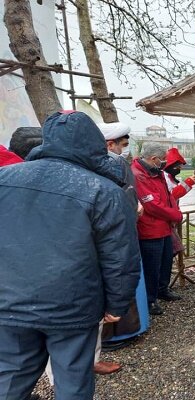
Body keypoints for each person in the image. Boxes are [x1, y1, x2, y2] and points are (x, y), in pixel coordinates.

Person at [0, 111, 140, 400]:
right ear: (93, 143)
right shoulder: (103, 190)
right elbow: (120, 256)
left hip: (10, 302)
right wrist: (118, 302)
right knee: (73, 381)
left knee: (10, 379)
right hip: (72, 307)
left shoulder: (4, 178)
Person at [96, 122, 150, 370]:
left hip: (126, 231)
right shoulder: (109, 165)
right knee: (118, 280)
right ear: (110, 144)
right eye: (123, 145)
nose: (126, 150)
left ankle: (130, 327)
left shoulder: (116, 163)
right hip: (115, 236)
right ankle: (115, 334)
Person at [132, 143, 183, 316]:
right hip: (150, 229)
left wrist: (173, 212)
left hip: (164, 226)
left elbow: (167, 196)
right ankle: (150, 299)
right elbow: (152, 204)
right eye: (162, 160)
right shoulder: (138, 175)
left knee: (166, 261)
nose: (164, 164)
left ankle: (163, 289)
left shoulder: (156, 172)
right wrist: (175, 215)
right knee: (151, 266)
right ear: (154, 159)